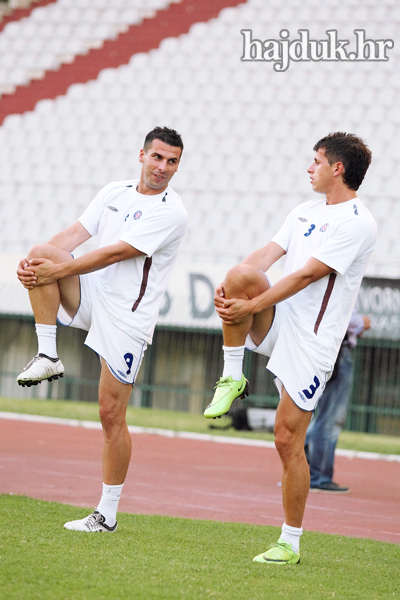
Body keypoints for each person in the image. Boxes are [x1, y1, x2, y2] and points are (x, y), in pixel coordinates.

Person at [204, 132, 376, 564]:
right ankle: (231, 374)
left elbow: (306, 276)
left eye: (316, 161)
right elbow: (268, 254)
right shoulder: (303, 211)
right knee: (240, 274)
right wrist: (232, 287)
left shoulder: (358, 222)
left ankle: (290, 542)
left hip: (313, 343)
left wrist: (251, 304)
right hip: (281, 319)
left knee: (286, 440)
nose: (308, 168)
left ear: (337, 169)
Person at [16, 126, 187, 532]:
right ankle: (48, 355)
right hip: (93, 292)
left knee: (111, 413)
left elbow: (115, 253)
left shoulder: (171, 211)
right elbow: (73, 236)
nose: (163, 167)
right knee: (42, 254)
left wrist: (60, 268)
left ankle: (106, 514)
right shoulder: (115, 192)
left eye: (172, 161)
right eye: (157, 157)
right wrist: (34, 263)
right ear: (141, 155)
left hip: (128, 316)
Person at [305, 309, 371, 493]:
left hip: (323, 349)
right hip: (337, 351)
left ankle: (301, 467)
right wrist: (361, 322)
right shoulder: (342, 282)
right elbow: (343, 315)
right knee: (330, 418)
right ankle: (318, 476)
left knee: (321, 414)